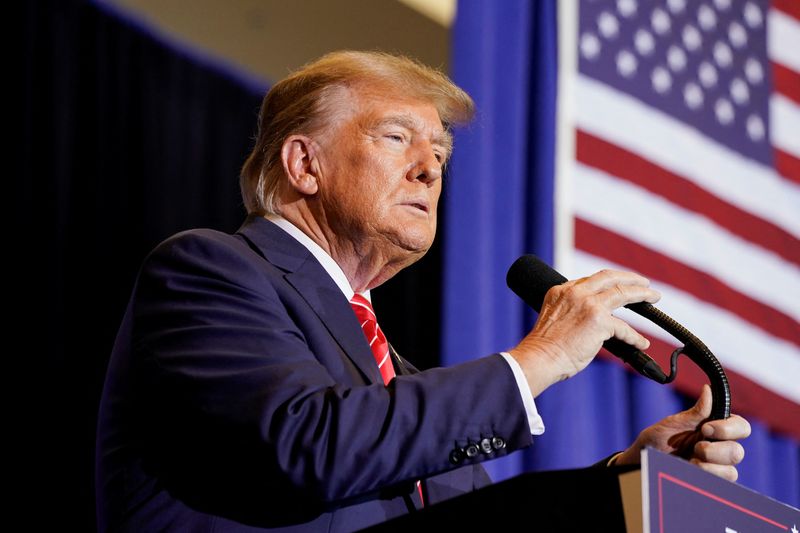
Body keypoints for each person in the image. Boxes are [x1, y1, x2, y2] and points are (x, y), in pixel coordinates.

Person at [95, 51, 750, 532]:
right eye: (397, 137)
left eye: (440, 151)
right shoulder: (207, 271)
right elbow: (310, 442)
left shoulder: (394, 376)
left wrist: (629, 482)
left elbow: (472, 516)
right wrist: (541, 356)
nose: (429, 166)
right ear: (304, 164)